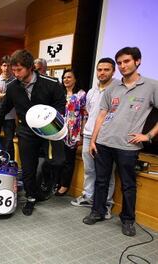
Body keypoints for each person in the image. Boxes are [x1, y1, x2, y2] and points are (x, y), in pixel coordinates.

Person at [83, 47, 158, 237]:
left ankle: (127, 220)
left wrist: (148, 136)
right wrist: (94, 140)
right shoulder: (112, 87)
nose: (123, 65)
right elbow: (102, 114)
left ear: (137, 61)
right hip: (104, 142)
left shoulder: (151, 85)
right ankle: (97, 212)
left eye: (127, 61)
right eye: (120, 63)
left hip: (128, 146)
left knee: (128, 184)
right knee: (101, 181)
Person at [0, 49, 65, 216]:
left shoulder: (51, 83)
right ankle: (31, 197)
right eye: (13, 70)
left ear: (31, 67)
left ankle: (47, 184)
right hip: (25, 131)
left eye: (19, 70)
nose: (15, 74)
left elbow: (61, 105)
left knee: (57, 161)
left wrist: (53, 121)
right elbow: (5, 107)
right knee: (28, 167)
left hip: (49, 130)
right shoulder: (12, 87)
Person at [71, 58, 119, 220]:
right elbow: (90, 113)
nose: (102, 73)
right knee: (89, 170)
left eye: (106, 69)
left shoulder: (118, 89)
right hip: (89, 134)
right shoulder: (91, 91)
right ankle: (88, 196)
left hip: (107, 137)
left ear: (113, 71)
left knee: (106, 173)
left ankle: (106, 203)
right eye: (99, 70)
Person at [55, 69, 86, 196]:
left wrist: (82, 134)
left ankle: (64, 185)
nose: (66, 80)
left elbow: (84, 115)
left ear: (75, 79)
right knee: (58, 159)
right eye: (64, 77)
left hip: (73, 133)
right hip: (58, 130)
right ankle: (56, 182)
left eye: (69, 77)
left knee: (68, 160)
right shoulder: (59, 93)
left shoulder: (81, 94)